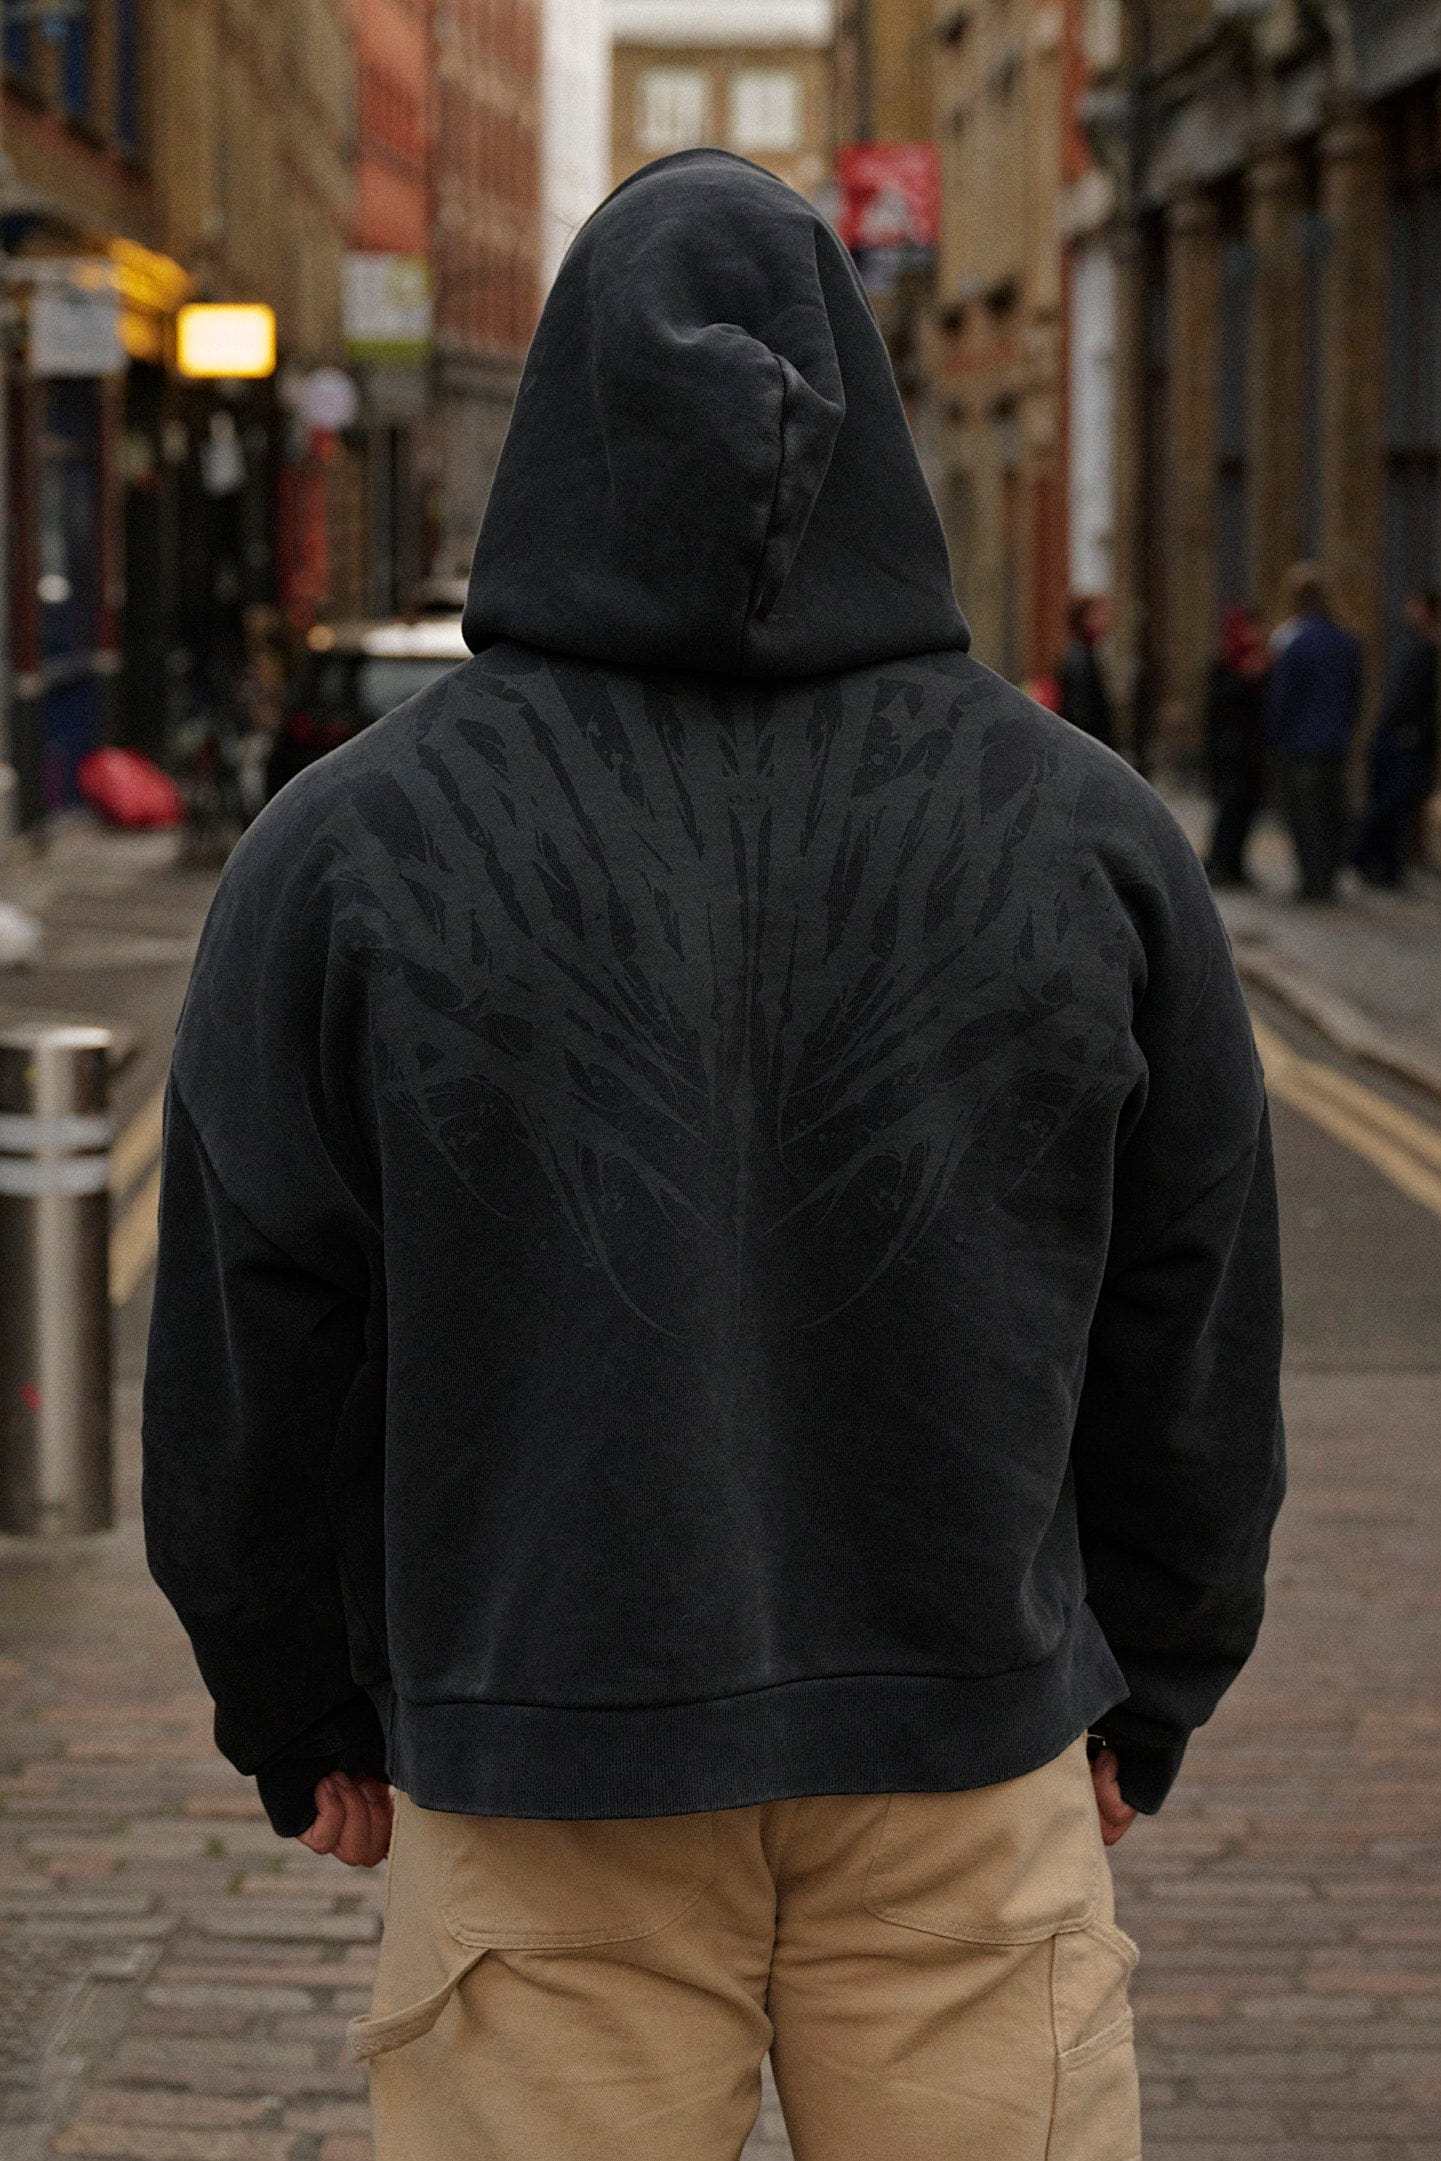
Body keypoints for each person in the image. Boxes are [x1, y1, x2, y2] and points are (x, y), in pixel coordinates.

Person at [141, 152, 1285, 2161]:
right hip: (962, 1744)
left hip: (542, 1746)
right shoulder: (1086, 831)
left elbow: (255, 1330)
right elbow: (1187, 1300)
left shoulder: (347, 848)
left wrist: (295, 1702)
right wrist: (1155, 1670)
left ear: (558, 432)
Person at [1265, 563, 1364, 902]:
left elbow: (1283, 697)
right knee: (1332, 811)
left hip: (1298, 744)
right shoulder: (1346, 641)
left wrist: (1274, 738)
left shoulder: (1294, 642)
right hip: (1334, 742)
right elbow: (1354, 694)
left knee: (1305, 816)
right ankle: (1329, 877)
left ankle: (1313, 880)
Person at [1352, 589, 1440, 889]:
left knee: (1394, 805)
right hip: (1401, 739)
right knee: (1389, 805)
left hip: (1406, 740)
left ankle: (1380, 862)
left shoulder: (1422, 649)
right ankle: (1376, 862)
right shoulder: (1414, 646)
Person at [1203, 604, 1270, 888]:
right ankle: (1220, 863)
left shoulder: (1261, 662)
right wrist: (1245, 679)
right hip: (1230, 752)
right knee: (1229, 810)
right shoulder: (1226, 665)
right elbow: (1219, 707)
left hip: (1251, 753)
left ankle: (1235, 864)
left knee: (1246, 810)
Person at [1057, 593, 1115, 747]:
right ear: (1084, 619)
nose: (1106, 622)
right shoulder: (1078, 658)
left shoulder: (1088, 654)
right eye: (1099, 615)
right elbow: (1079, 712)